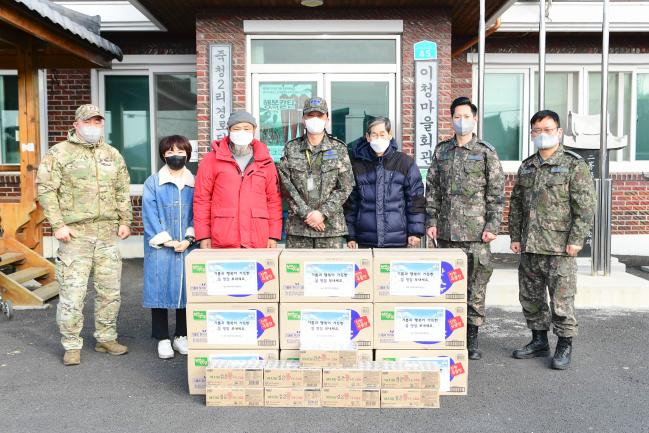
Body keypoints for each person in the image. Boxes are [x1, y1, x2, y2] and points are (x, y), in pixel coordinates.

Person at [36, 104, 132, 366]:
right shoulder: (59, 153)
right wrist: (57, 225)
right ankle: (71, 344)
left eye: (98, 122)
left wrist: (126, 220)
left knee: (110, 292)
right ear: (77, 124)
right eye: (89, 122)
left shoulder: (112, 155)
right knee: (73, 293)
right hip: (75, 235)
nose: (94, 127)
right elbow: (45, 190)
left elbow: (122, 190)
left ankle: (106, 337)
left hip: (106, 235)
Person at [509, 109, 596, 370]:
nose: (542, 135)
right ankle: (538, 341)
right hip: (530, 245)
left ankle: (564, 344)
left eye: (548, 130)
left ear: (558, 132)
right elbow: (516, 205)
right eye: (537, 131)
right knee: (531, 297)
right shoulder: (527, 166)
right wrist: (515, 236)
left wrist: (577, 239)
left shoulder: (573, 165)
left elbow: (585, 207)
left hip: (560, 247)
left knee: (561, 300)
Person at [425, 96, 505, 361]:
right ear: (451, 119)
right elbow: (432, 190)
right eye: (457, 117)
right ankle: (449, 335)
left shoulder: (486, 152)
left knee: (475, 288)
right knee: (446, 287)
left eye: (466, 117)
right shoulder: (442, 151)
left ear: (475, 118)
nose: (461, 121)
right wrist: (432, 222)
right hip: (446, 235)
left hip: (476, 234)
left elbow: (496, 193)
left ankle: (471, 339)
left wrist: (493, 226)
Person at [193, 111, 282, 249]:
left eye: (247, 128)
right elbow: (202, 199)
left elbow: (273, 200)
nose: (242, 132)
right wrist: (204, 235)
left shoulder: (265, 161)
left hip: (257, 238)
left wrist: (273, 235)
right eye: (236, 128)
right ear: (229, 130)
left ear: (254, 130)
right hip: (223, 238)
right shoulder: (211, 160)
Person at [142, 135, 196, 359]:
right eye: (171, 151)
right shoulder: (153, 182)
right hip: (161, 246)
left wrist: (190, 237)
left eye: (181, 152)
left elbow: (199, 211)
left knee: (186, 289)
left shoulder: (196, 182)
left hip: (187, 242)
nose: (177, 156)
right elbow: (149, 213)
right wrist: (166, 240)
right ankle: (162, 338)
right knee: (160, 288)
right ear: (163, 154)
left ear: (188, 155)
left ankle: (181, 335)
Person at [278, 97, 355, 248]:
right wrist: (306, 213)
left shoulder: (338, 148)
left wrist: (322, 214)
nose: (315, 119)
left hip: (330, 229)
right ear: (303, 119)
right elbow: (286, 185)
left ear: (327, 119)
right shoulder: (291, 148)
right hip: (299, 229)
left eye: (319, 116)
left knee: (331, 270)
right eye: (310, 116)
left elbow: (346, 186)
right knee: (295, 271)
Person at [344, 116, 425, 248]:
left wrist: (415, 232)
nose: (378, 138)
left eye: (382, 134)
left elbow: (415, 199)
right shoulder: (357, 166)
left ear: (390, 135)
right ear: (368, 137)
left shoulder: (404, 162)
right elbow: (350, 204)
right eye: (374, 135)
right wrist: (351, 235)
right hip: (365, 238)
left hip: (397, 238)